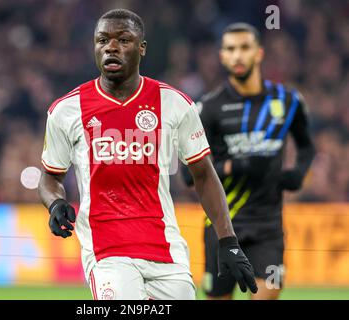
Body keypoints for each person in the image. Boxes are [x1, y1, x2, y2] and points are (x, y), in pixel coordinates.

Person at [38, 10, 257, 300]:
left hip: (166, 249)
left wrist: (228, 240)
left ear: (142, 48)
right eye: (102, 40)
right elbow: (50, 176)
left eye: (123, 40)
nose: (111, 47)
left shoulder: (175, 104)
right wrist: (55, 203)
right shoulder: (66, 111)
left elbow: (203, 174)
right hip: (107, 252)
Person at [182, 23, 316, 300]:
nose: (238, 56)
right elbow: (187, 174)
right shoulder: (207, 109)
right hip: (222, 227)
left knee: (269, 293)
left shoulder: (287, 101)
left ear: (259, 53)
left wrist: (298, 173)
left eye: (244, 48)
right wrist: (234, 167)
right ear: (222, 56)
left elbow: (306, 146)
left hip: (268, 228)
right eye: (230, 49)